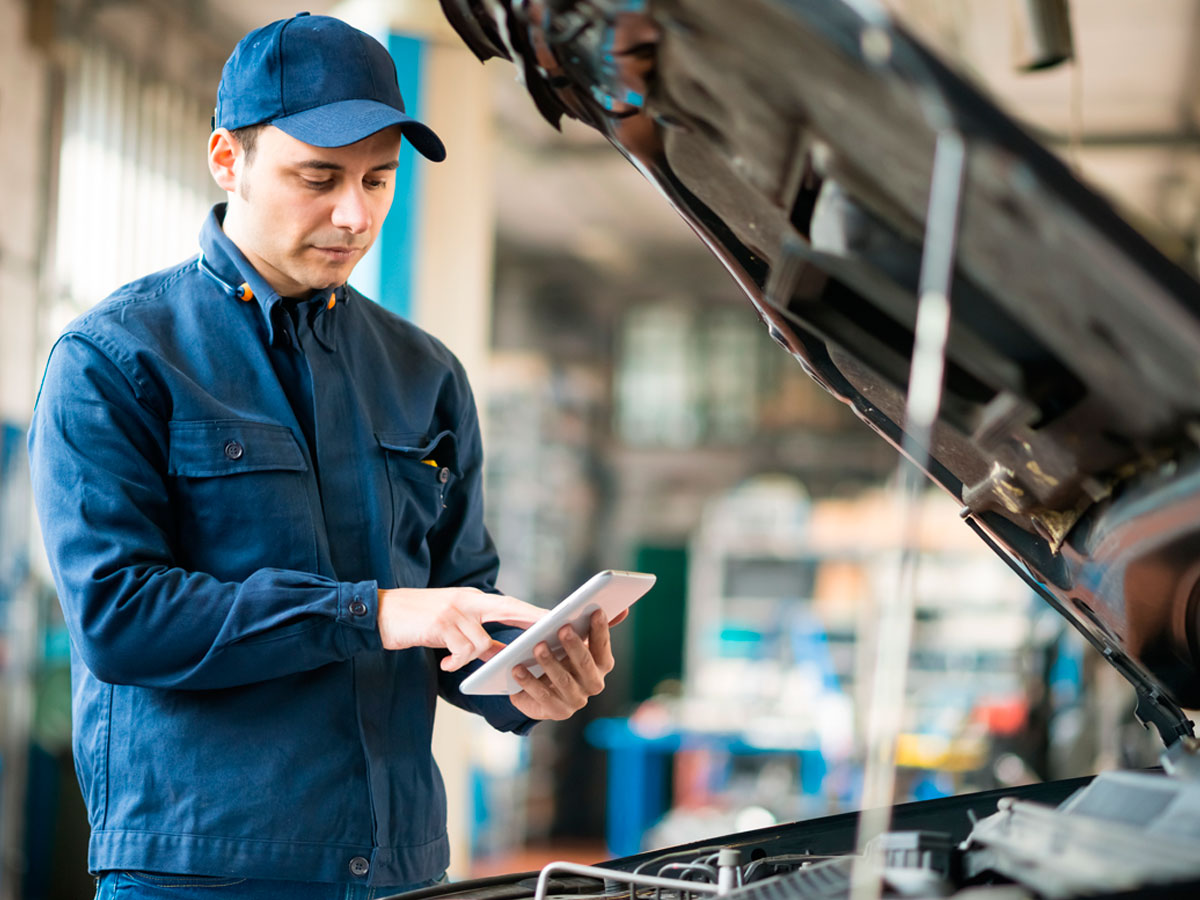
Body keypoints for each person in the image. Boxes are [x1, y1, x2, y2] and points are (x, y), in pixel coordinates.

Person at [28, 13, 619, 899]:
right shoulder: (116, 359)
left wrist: (525, 682)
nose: (355, 215)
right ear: (228, 161)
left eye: (380, 180)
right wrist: (375, 612)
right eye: (319, 178)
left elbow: (459, 607)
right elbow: (120, 617)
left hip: (398, 867)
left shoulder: (426, 375)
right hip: (203, 870)